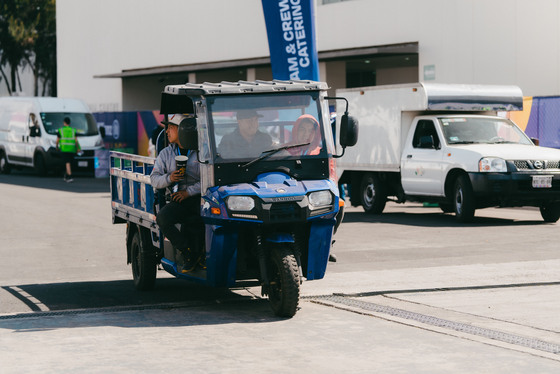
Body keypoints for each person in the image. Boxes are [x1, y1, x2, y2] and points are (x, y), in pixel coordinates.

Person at [150, 114, 202, 273]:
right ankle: (187, 253)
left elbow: (209, 180)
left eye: (170, 127)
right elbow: (154, 179)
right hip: (177, 199)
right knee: (163, 218)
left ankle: (202, 255)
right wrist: (169, 178)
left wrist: (188, 192)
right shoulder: (165, 153)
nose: (166, 131)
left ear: (183, 130)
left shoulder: (201, 151)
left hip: (199, 198)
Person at [56, 117, 81, 182]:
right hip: (72, 149)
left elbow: (57, 140)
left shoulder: (60, 130)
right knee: (69, 162)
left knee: (67, 162)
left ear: (64, 122)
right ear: (69, 123)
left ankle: (69, 176)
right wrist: (78, 148)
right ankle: (66, 175)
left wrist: (56, 147)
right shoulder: (73, 130)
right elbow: (76, 140)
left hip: (64, 148)